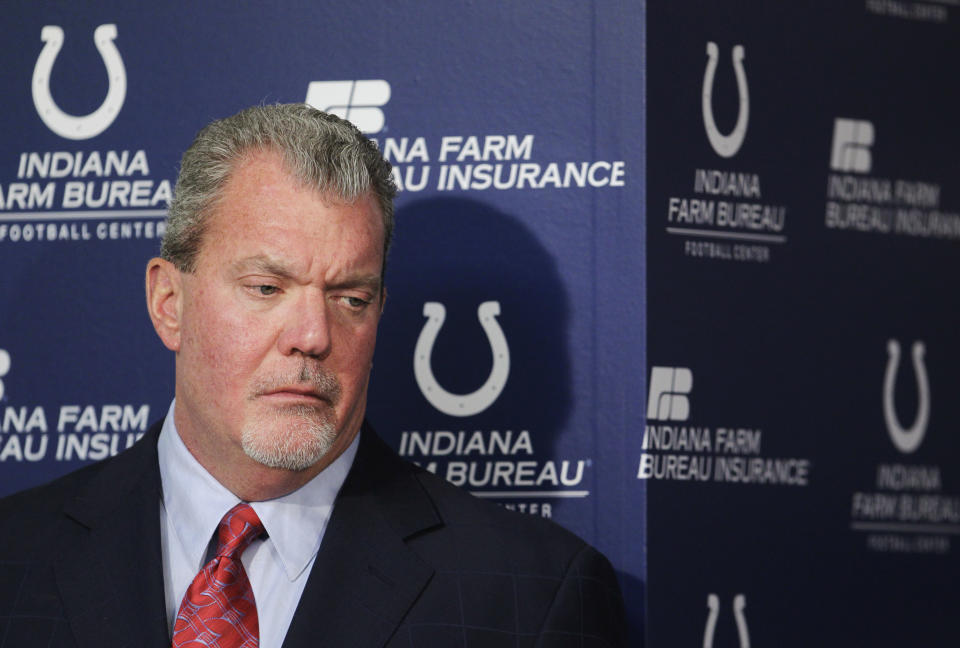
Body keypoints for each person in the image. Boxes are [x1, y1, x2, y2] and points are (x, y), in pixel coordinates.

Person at [0, 104, 627, 647]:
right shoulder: (15, 557)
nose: (313, 336)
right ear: (170, 303)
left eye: (350, 298)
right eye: (267, 287)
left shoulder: (531, 599)